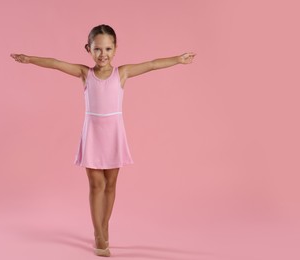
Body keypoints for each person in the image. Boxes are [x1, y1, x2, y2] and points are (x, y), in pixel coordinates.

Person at [11, 24, 196, 257]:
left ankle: (105, 224)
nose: (103, 54)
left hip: (114, 134)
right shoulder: (84, 73)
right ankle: (98, 233)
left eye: (108, 48)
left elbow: (151, 64)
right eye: (97, 49)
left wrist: (178, 59)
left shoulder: (123, 73)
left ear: (116, 48)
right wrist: (29, 59)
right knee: (96, 185)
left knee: (110, 185)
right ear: (88, 49)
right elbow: (56, 63)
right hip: (93, 134)